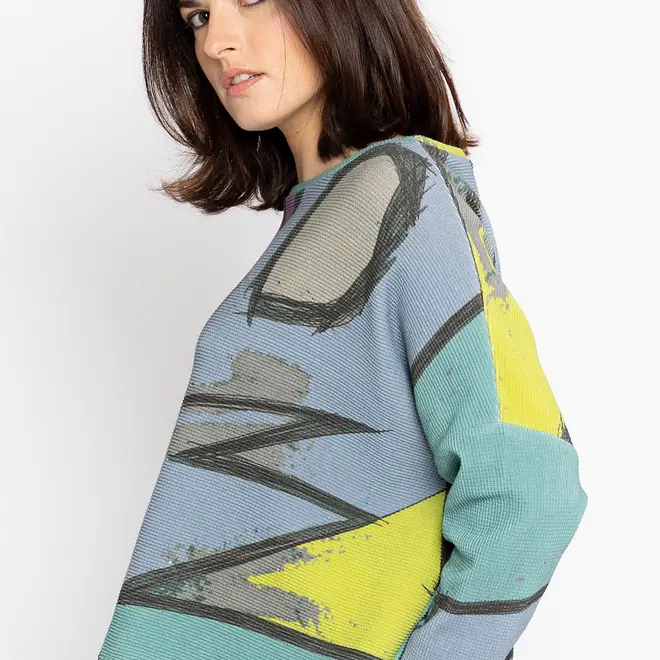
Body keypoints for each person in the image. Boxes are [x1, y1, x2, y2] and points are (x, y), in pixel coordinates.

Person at [97, 1, 588, 659]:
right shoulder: (333, 209)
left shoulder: (403, 193)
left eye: (251, 0)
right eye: (198, 17)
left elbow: (529, 489)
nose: (216, 43)